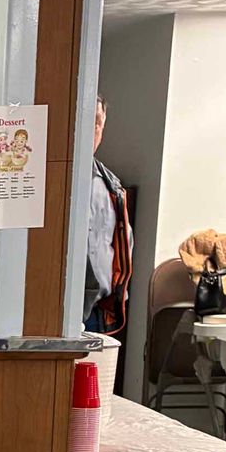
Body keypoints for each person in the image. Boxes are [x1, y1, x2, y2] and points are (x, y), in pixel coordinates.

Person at [84, 94, 133, 334]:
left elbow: (122, 245)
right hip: (47, 310)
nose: (92, 129)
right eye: (86, 120)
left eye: (97, 122)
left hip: (97, 314)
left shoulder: (110, 186)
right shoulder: (39, 178)